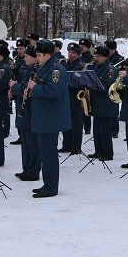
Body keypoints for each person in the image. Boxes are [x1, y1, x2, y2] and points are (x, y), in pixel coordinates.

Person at [26, 39, 71, 198]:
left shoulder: (56, 70)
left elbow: (54, 92)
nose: (36, 58)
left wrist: (35, 87)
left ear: (47, 54)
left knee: (49, 154)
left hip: (50, 118)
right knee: (45, 153)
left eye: (39, 55)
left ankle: (51, 187)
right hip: (43, 116)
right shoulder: (45, 68)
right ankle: (47, 183)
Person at [10, 45, 40, 181]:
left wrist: (14, 86)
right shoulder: (27, 69)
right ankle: (26, 168)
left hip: (31, 110)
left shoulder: (36, 71)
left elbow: (26, 90)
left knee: (32, 143)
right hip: (23, 110)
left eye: (28, 56)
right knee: (25, 142)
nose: (25, 58)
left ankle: (33, 170)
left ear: (35, 58)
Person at [88, 45, 117, 161]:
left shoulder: (111, 69)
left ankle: (107, 153)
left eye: (99, 56)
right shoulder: (95, 67)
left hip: (106, 104)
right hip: (96, 103)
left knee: (104, 131)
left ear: (105, 57)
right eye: (96, 55)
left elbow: (108, 86)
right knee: (97, 130)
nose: (96, 58)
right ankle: (98, 151)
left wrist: (93, 86)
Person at [59, 43, 85, 155]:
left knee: (76, 124)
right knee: (65, 122)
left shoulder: (81, 66)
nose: (70, 54)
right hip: (65, 97)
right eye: (69, 51)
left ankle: (76, 146)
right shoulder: (64, 64)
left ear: (78, 54)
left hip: (75, 97)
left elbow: (82, 81)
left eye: (73, 52)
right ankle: (66, 145)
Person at [9, 38, 30, 145]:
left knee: (24, 114)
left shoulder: (29, 60)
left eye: (21, 48)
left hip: (24, 90)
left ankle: (24, 136)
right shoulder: (17, 59)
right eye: (18, 48)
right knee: (18, 114)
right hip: (17, 89)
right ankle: (20, 135)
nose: (19, 50)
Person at [79, 37, 95, 134]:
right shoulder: (79, 57)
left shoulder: (92, 58)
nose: (81, 48)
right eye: (80, 46)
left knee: (87, 106)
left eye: (83, 46)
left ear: (88, 48)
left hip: (88, 85)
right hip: (79, 84)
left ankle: (87, 127)